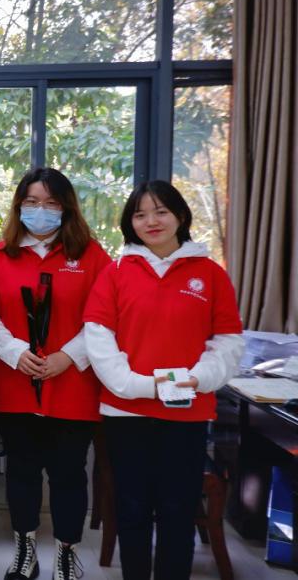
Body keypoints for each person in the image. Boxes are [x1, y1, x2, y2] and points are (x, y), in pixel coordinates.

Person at [83, 180, 243, 580]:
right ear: (130, 223)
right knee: (132, 509)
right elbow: (98, 339)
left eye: (161, 212)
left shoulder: (210, 274)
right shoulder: (116, 272)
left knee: (177, 511)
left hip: (187, 413)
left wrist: (199, 378)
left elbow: (227, 341)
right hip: (126, 413)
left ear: (181, 216)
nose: (151, 221)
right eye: (140, 214)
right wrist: (138, 385)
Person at [0, 167, 111, 580]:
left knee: (69, 475)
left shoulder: (92, 256)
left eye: (51, 203)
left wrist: (68, 356)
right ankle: (25, 552)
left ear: (66, 208)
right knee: (21, 472)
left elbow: (104, 319)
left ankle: (66, 555)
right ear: (19, 206)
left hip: (72, 387)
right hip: (16, 384)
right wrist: (16, 353)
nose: (41, 210)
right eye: (32, 202)